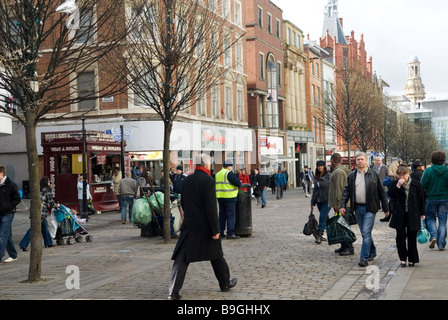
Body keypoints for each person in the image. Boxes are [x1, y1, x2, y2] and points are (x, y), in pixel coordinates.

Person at [168, 154, 237, 300]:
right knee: (216, 254)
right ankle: (224, 284)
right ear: (206, 165)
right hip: (206, 226)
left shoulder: (186, 181)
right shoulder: (208, 181)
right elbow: (211, 207)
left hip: (190, 225)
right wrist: (216, 229)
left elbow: (184, 203)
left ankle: (173, 291)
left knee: (182, 258)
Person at [340, 152, 389, 267]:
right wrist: (342, 205)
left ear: (366, 161)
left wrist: (386, 208)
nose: (360, 161)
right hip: (357, 207)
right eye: (358, 160)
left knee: (366, 233)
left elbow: (381, 192)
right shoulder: (352, 175)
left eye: (362, 159)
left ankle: (364, 258)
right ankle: (372, 251)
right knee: (364, 233)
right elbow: (346, 191)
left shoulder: (374, 174)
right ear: (355, 162)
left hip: (370, 208)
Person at [388, 164, 426, 267]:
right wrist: (398, 186)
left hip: (412, 213)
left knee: (412, 237)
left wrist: (422, 213)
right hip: (399, 214)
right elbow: (391, 195)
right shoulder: (394, 183)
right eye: (399, 175)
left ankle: (412, 259)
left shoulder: (416, 184)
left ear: (408, 174)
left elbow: (421, 199)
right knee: (400, 237)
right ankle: (403, 258)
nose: (401, 177)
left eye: (403, 175)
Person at [19, 177, 57, 251]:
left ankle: (48, 243)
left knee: (44, 227)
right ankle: (23, 244)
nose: (50, 183)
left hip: (35, 211)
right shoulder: (47, 190)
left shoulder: (38, 190)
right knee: (33, 229)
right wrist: (56, 206)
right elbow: (51, 201)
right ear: (47, 183)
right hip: (41, 212)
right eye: (49, 182)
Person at [421, 151, 448, 250]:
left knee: (430, 218)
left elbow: (423, 184)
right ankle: (441, 244)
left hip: (431, 197)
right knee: (442, 220)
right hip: (444, 198)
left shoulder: (428, 171)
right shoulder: (447, 170)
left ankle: (434, 236)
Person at [328, 153, 354, 255]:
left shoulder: (338, 172)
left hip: (342, 205)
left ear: (333, 160)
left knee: (344, 226)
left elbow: (339, 189)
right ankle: (344, 246)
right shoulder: (340, 171)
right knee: (341, 225)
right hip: (342, 204)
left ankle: (349, 247)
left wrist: (339, 205)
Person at [216, 159, 242, 239]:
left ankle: (220, 232)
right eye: (231, 166)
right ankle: (230, 233)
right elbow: (238, 183)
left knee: (222, 215)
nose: (231, 168)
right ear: (228, 167)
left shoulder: (218, 174)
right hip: (229, 197)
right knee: (231, 215)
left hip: (220, 197)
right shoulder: (228, 173)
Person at [0, 166, 21, 264]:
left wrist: (8, 206)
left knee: (2, 235)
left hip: (8, 213)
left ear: (1, 174)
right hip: (0, 212)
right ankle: (13, 255)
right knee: (6, 235)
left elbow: (17, 199)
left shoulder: (11, 185)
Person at [311, 160, 331, 244]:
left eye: (321, 166)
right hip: (319, 200)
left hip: (327, 200)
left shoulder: (329, 176)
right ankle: (331, 233)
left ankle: (319, 234)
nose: (320, 167)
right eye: (318, 166)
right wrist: (312, 202)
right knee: (326, 218)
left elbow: (333, 188)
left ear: (324, 167)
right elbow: (315, 190)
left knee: (322, 216)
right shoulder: (316, 177)